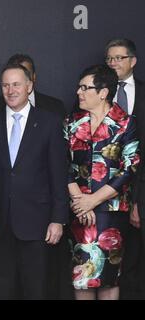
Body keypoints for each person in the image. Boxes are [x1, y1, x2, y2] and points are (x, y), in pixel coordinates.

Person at [0, 64, 68, 299]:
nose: (10, 90)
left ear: (29, 86)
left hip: (37, 223)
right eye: (5, 85)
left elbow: (58, 174)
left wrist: (58, 219)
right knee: (2, 288)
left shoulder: (49, 122)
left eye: (16, 84)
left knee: (35, 289)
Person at [64, 64, 140, 300]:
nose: (79, 92)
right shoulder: (72, 122)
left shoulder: (125, 123)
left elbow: (130, 167)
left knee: (109, 278)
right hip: (79, 211)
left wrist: (93, 200)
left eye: (85, 88)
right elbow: (61, 164)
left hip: (110, 213)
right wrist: (80, 200)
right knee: (82, 278)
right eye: (79, 87)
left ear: (103, 92)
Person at [105, 38, 145, 299]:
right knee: (112, 261)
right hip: (106, 191)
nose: (113, 63)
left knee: (136, 260)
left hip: (139, 186)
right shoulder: (97, 91)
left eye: (119, 58)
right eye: (110, 58)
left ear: (133, 61)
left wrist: (138, 199)